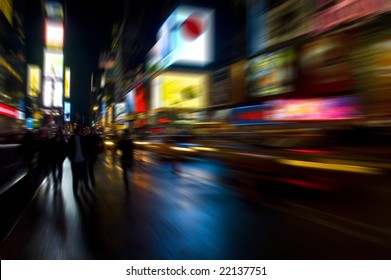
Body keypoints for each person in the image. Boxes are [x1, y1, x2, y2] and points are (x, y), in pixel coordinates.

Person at [68, 126, 89, 194]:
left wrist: (86, 157)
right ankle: (75, 190)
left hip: (83, 160)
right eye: (79, 130)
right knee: (75, 176)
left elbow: (86, 148)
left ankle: (85, 186)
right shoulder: (71, 139)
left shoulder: (83, 138)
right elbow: (68, 149)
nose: (80, 132)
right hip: (75, 161)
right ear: (76, 131)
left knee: (84, 174)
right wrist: (71, 158)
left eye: (80, 130)